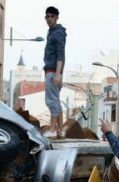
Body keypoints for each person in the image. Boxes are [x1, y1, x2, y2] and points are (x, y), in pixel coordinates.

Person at [43, 6, 66, 138]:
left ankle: (52, 130)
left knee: (51, 101)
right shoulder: (52, 31)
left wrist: (57, 73)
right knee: (56, 101)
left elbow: (60, 54)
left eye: (52, 16)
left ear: (57, 17)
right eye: (48, 16)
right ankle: (60, 130)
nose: (49, 19)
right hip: (52, 71)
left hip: (53, 72)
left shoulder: (57, 32)